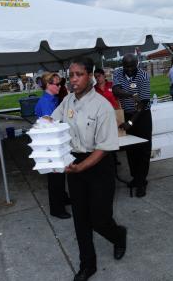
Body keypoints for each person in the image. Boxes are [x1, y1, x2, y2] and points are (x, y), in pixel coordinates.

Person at [52, 57, 127, 281]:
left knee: (99, 218)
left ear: (90, 76)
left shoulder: (102, 105)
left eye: (79, 74)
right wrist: (44, 123)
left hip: (98, 165)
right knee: (80, 219)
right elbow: (53, 121)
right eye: (71, 75)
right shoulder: (67, 102)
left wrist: (81, 167)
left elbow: (104, 147)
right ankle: (88, 264)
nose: (73, 79)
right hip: (75, 163)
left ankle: (118, 235)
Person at [112, 53, 152, 198]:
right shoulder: (117, 73)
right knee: (131, 149)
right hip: (127, 114)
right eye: (126, 66)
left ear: (137, 64)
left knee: (143, 150)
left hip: (142, 116)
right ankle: (136, 178)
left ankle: (141, 183)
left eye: (131, 66)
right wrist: (130, 95)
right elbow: (115, 90)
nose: (128, 69)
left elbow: (143, 103)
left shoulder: (143, 76)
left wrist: (130, 123)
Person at [35, 72, 71, 219]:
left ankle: (62, 198)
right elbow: (51, 127)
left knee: (60, 175)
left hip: (56, 142)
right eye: (57, 84)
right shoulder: (45, 103)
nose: (60, 86)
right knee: (55, 177)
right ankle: (56, 209)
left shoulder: (53, 99)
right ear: (48, 85)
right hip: (51, 144)